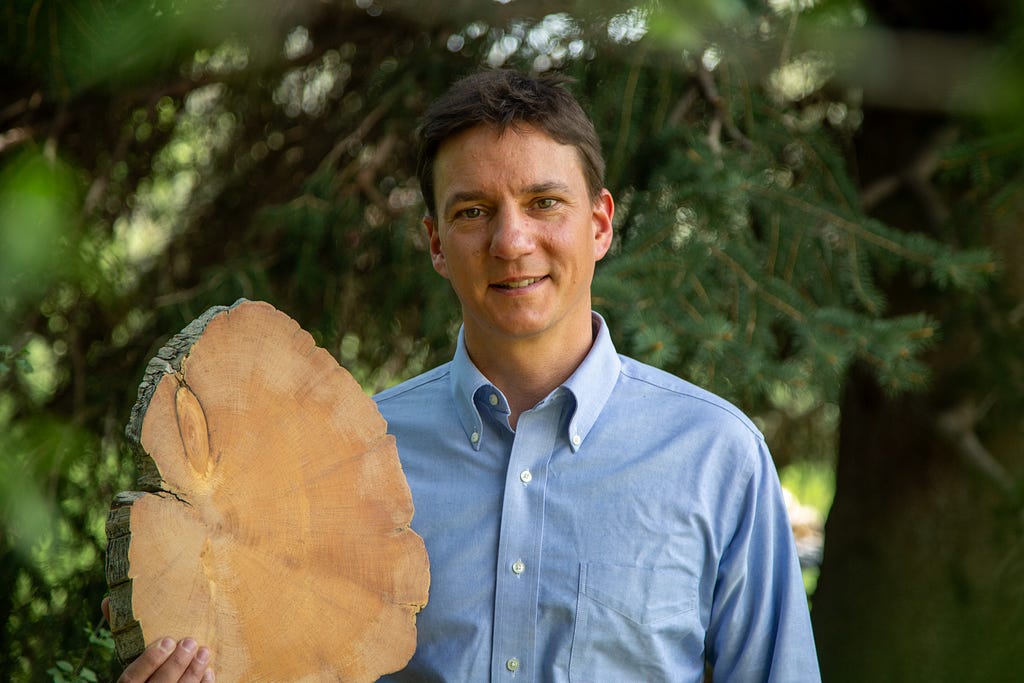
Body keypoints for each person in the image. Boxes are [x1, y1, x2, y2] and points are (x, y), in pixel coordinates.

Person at [109, 68, 821, 682]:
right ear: (435, 243)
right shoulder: (352, 462)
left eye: (545, 203)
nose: (512, 241)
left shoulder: (714, 455)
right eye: (474, 211)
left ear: (600, 224)